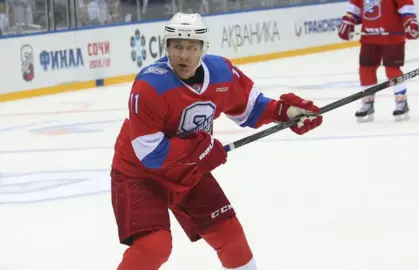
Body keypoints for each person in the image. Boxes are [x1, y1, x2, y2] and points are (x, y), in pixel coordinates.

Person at [110, 12, 324, 270]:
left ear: (203, 49)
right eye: (177, 46)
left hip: (189, 169)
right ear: (166, 47)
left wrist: (285, 113)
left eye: (191, 47)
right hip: (139, 174)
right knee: (154, 245)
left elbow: (252, 107)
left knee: (228, 234)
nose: (184, 55)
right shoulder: (151, 85)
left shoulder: (222, 74)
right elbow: (151, 153)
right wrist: (200, 151)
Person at [337, 0, 419, 122]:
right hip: (369, 37)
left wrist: (410, 22)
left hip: (392, 38)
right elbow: (355, 9)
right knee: (365, 70)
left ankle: (401, 100)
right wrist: (348, 21)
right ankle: (368, 101)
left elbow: (406, 7)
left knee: (392, 70)